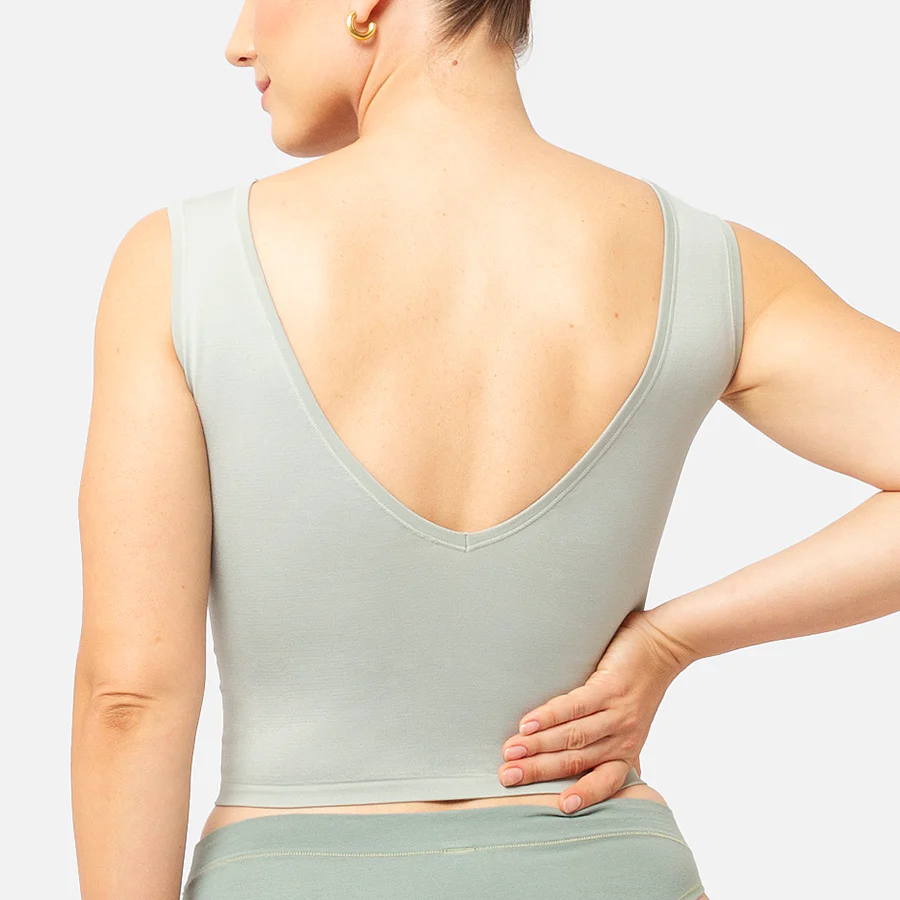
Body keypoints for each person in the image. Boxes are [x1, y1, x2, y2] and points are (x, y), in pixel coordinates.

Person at [71, 2, 900, 899]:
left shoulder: (181, 266)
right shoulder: (706, 264)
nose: (238, 43)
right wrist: (669, 641)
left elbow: (129, 697)